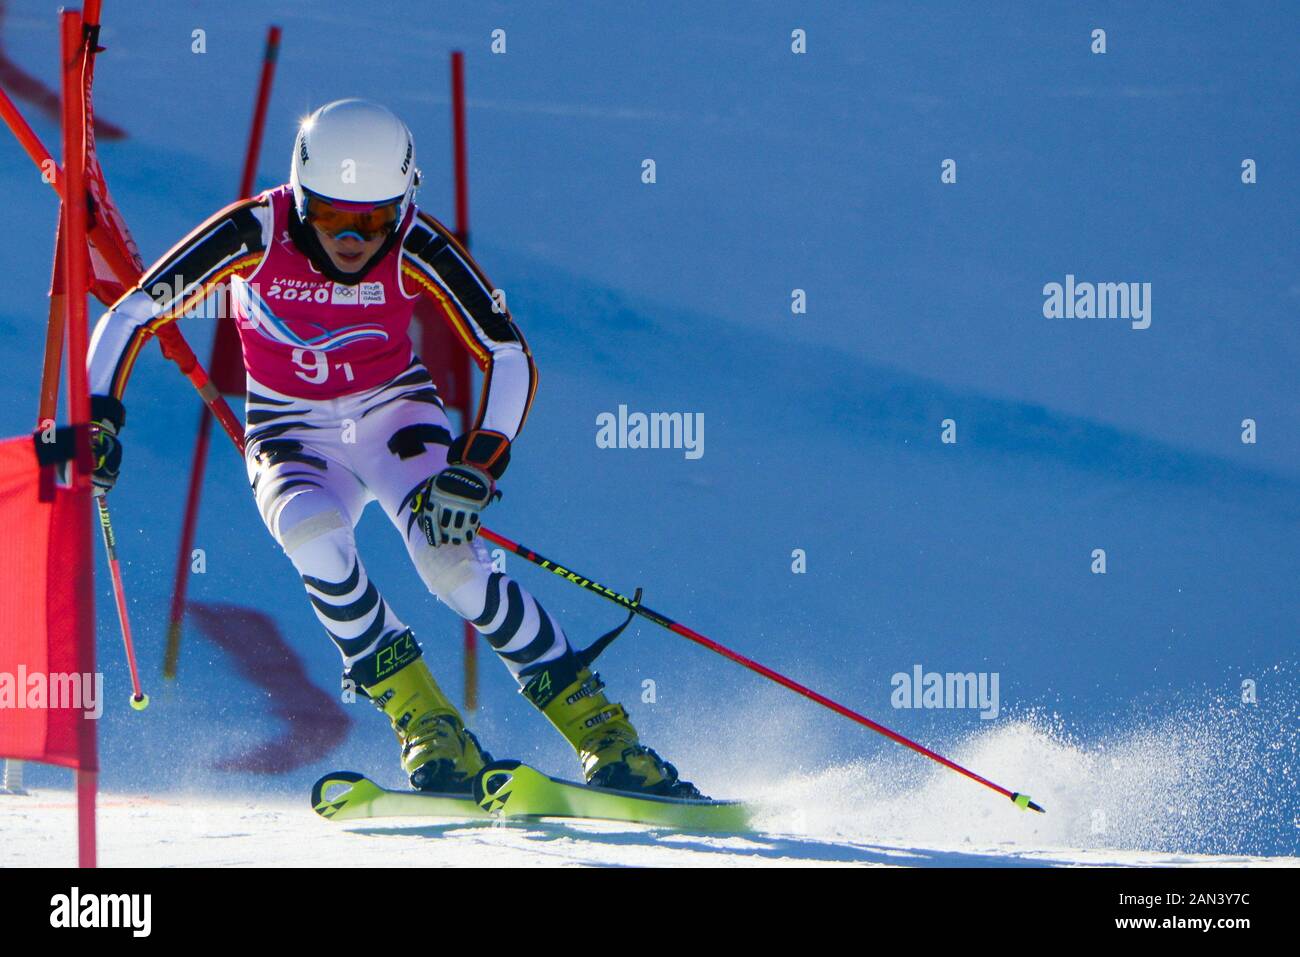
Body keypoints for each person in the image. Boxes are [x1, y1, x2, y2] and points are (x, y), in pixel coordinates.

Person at [85, 98, 701, 798]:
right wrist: (97, 419)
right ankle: (427, 721)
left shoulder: (415, 240)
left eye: (373, 219)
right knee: (312, 537)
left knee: (453, 566)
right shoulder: (254, 229)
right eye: (331, 217)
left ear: (401, 203)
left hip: (394, 416)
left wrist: (476, 465)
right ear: (301, 195)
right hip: (289, 428)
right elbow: (134, 309)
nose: (353, 240)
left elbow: (508, 352)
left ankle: (606, 735)